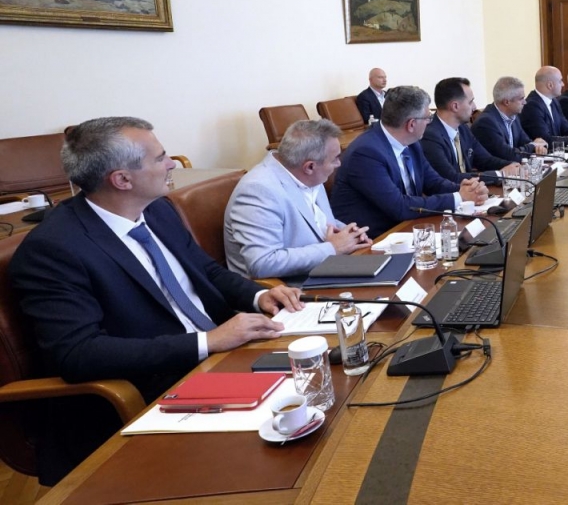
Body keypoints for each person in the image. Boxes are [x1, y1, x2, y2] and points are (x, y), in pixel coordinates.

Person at [11, 117, 303, 483]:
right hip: (153, 385)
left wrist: (259, 295)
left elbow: (205, 270)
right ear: (122, 179)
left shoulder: (157, 209)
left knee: (321, 384)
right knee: (281, 460)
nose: (171, 165)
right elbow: (78, 353)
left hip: (221, 357)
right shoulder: (55, 250)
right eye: (161, 157)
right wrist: (207, 341)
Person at [330, 85, 487, 237]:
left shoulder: (411, 143)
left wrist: (466, 189)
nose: (430, 122)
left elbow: (433, 182)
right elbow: (399, 207)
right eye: (428, 118)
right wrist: (459, 197)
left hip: (405, 229)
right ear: (411, 124)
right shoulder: (366, 153)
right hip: (374, 239)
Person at [224, 119, 370, 280]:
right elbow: (263, 263)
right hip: (288, 287)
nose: (339, 163)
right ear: (310, 167)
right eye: (335, 158)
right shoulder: (258, 191)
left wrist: (349, 234)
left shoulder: (308, 174)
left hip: (324, 270)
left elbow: (316, 222)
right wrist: (333, 248)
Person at [421, 77, 521, 185]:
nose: (474, 107)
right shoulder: (430, 135)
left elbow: (485, 160)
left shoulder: (463, 128)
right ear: (455, 106)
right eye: (470, 102)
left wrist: (514, 166)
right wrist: (499, 175)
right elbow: (451, 177)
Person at [473, 76, 548, 162]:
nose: (525, 102)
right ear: (506, 102)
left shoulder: (513, 116)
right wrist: (534, 145)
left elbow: (525, 142)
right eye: (521, 99)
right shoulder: (486, 123)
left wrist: (538, 147)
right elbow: (509, 156)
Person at [521, 66, 568, 143]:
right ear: (550, 85)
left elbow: (567, 128)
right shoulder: (532, 106)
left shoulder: (554, 101)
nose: (563, 84)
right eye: (560, 81)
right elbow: (545, 139)